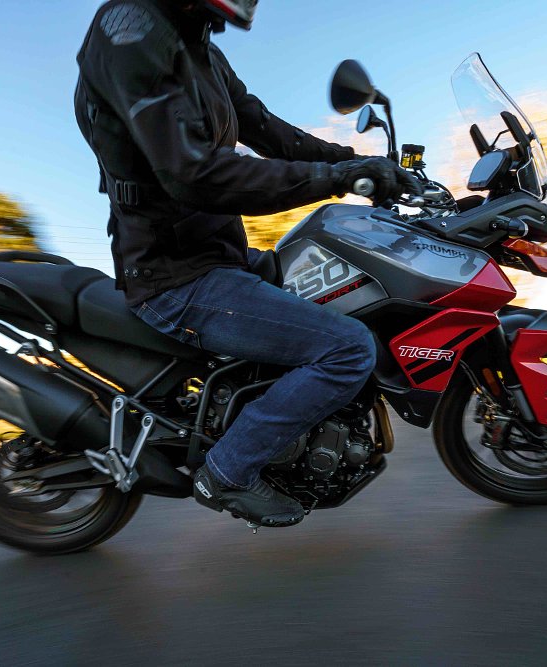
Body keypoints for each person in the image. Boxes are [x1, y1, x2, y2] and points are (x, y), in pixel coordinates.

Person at [74, 0, 421, 528]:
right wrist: (338, 181)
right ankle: (228, 473)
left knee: (334, 289)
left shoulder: (200, 52)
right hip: (177, 276)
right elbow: (194, 175)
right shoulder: (131, 28)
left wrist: (356, 163)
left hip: (220, 258)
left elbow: (265, 128)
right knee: (348, 349)